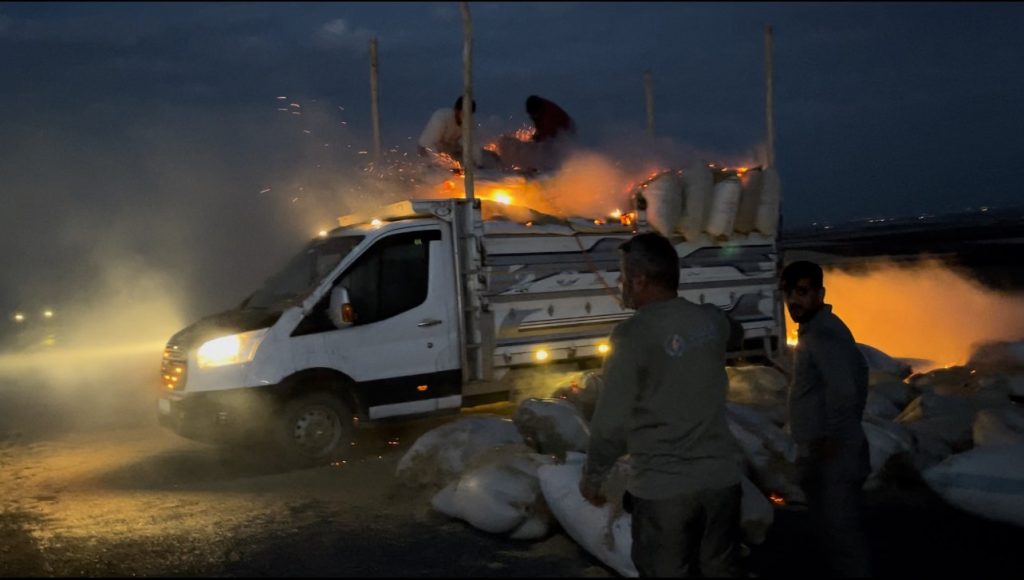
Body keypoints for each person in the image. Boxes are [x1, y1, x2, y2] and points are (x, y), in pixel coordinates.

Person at [579, 232, 744, 577]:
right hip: (722, 484)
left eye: (622, 276)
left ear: (639, 280)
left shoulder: (631, 335)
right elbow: (735, 330)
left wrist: (594, 477)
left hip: (664, 490)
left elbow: (611, 424)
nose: (620, 284)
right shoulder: (710, 320)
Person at [781, 260, 872, 577]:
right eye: (789, 293)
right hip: (823, 450)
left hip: (832, 454)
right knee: (831, 533)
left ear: (820, 293)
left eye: (803, 292)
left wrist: (831, 442)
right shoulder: (816, 330)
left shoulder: (822, 334)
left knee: (842, 536)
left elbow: (845, 391)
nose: (794, 300)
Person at [417, 96, 481, 166]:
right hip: (428, 150)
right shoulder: (441, 117)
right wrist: (442, 164)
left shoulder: (470, 122)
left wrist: (478, 163)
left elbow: (473, 143)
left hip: (449, 150)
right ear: (456, 110)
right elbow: (427, 144)